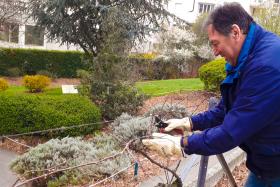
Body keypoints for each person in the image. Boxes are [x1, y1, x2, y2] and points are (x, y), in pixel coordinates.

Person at [142, 2, 280, 186]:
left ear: (235, 32)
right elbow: (227, 108)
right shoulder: (246, 57)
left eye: (216, 43)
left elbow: (231, 132)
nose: (214, 52)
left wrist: (182, 145)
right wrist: (189, 123)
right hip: (266, 163)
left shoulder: (266, 67)